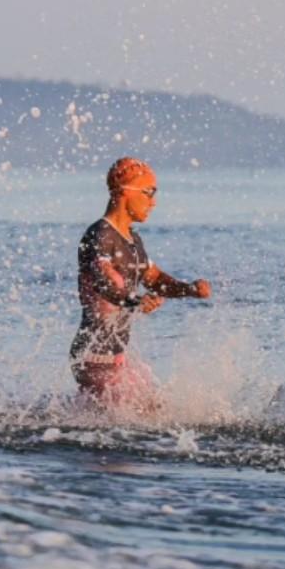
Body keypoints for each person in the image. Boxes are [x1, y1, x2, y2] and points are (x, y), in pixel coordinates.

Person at [70, 157, 212, 407]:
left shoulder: (133, 240)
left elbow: (154, 279)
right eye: (149, 192)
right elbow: (103, 283)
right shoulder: (99, 235)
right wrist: (135, 301)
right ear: (125, 191)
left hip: (116, 356)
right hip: (93, 356)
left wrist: (189, 289)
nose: (153, 202)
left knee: (155, 407)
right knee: (132, 416)